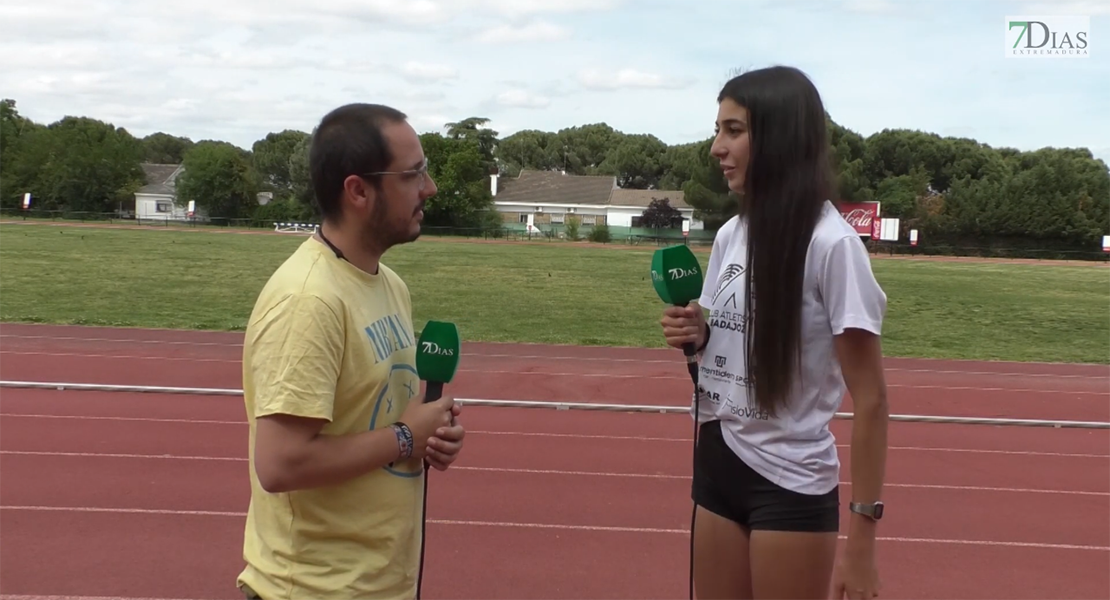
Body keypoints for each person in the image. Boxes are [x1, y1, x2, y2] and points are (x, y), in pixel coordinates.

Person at [660, 66, 889, 600]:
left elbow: (872, 399)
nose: (717, 147)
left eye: (734, 130)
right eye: (717, 129)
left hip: (790, 478)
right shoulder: (730, 236)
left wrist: (861, 542)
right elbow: (719, 335)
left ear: (782, 136)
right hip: (719, 461)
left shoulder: (833, 246)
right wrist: (696, 330)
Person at [236, 103, 466, 600]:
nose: (430, 188)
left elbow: (375, 418)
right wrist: (406, 436)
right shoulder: (309, 300)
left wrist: (427, 436)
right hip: (311, 590)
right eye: (413, 175)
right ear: (358, 190)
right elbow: (281, 465)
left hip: (377, 585)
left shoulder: (389, 285)